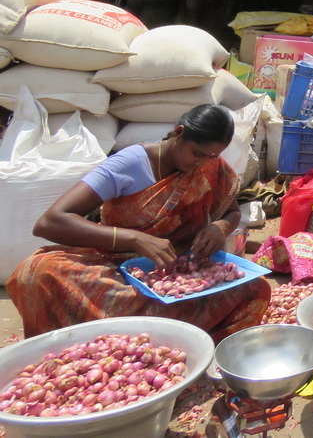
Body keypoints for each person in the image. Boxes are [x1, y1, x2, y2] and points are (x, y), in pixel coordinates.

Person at [6, 105, 269, 344]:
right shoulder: (129, 163)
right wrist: (133, 239)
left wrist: (220, 227)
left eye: (211, 157)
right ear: (179, 133)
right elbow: (50, 222)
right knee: (37, 271)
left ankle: (186, 347)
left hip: (181, 268)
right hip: (116, 267)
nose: (202, 163)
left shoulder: (212, 165)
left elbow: (232, 212)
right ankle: (129, 339)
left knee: (255, 289)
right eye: (197, 154)